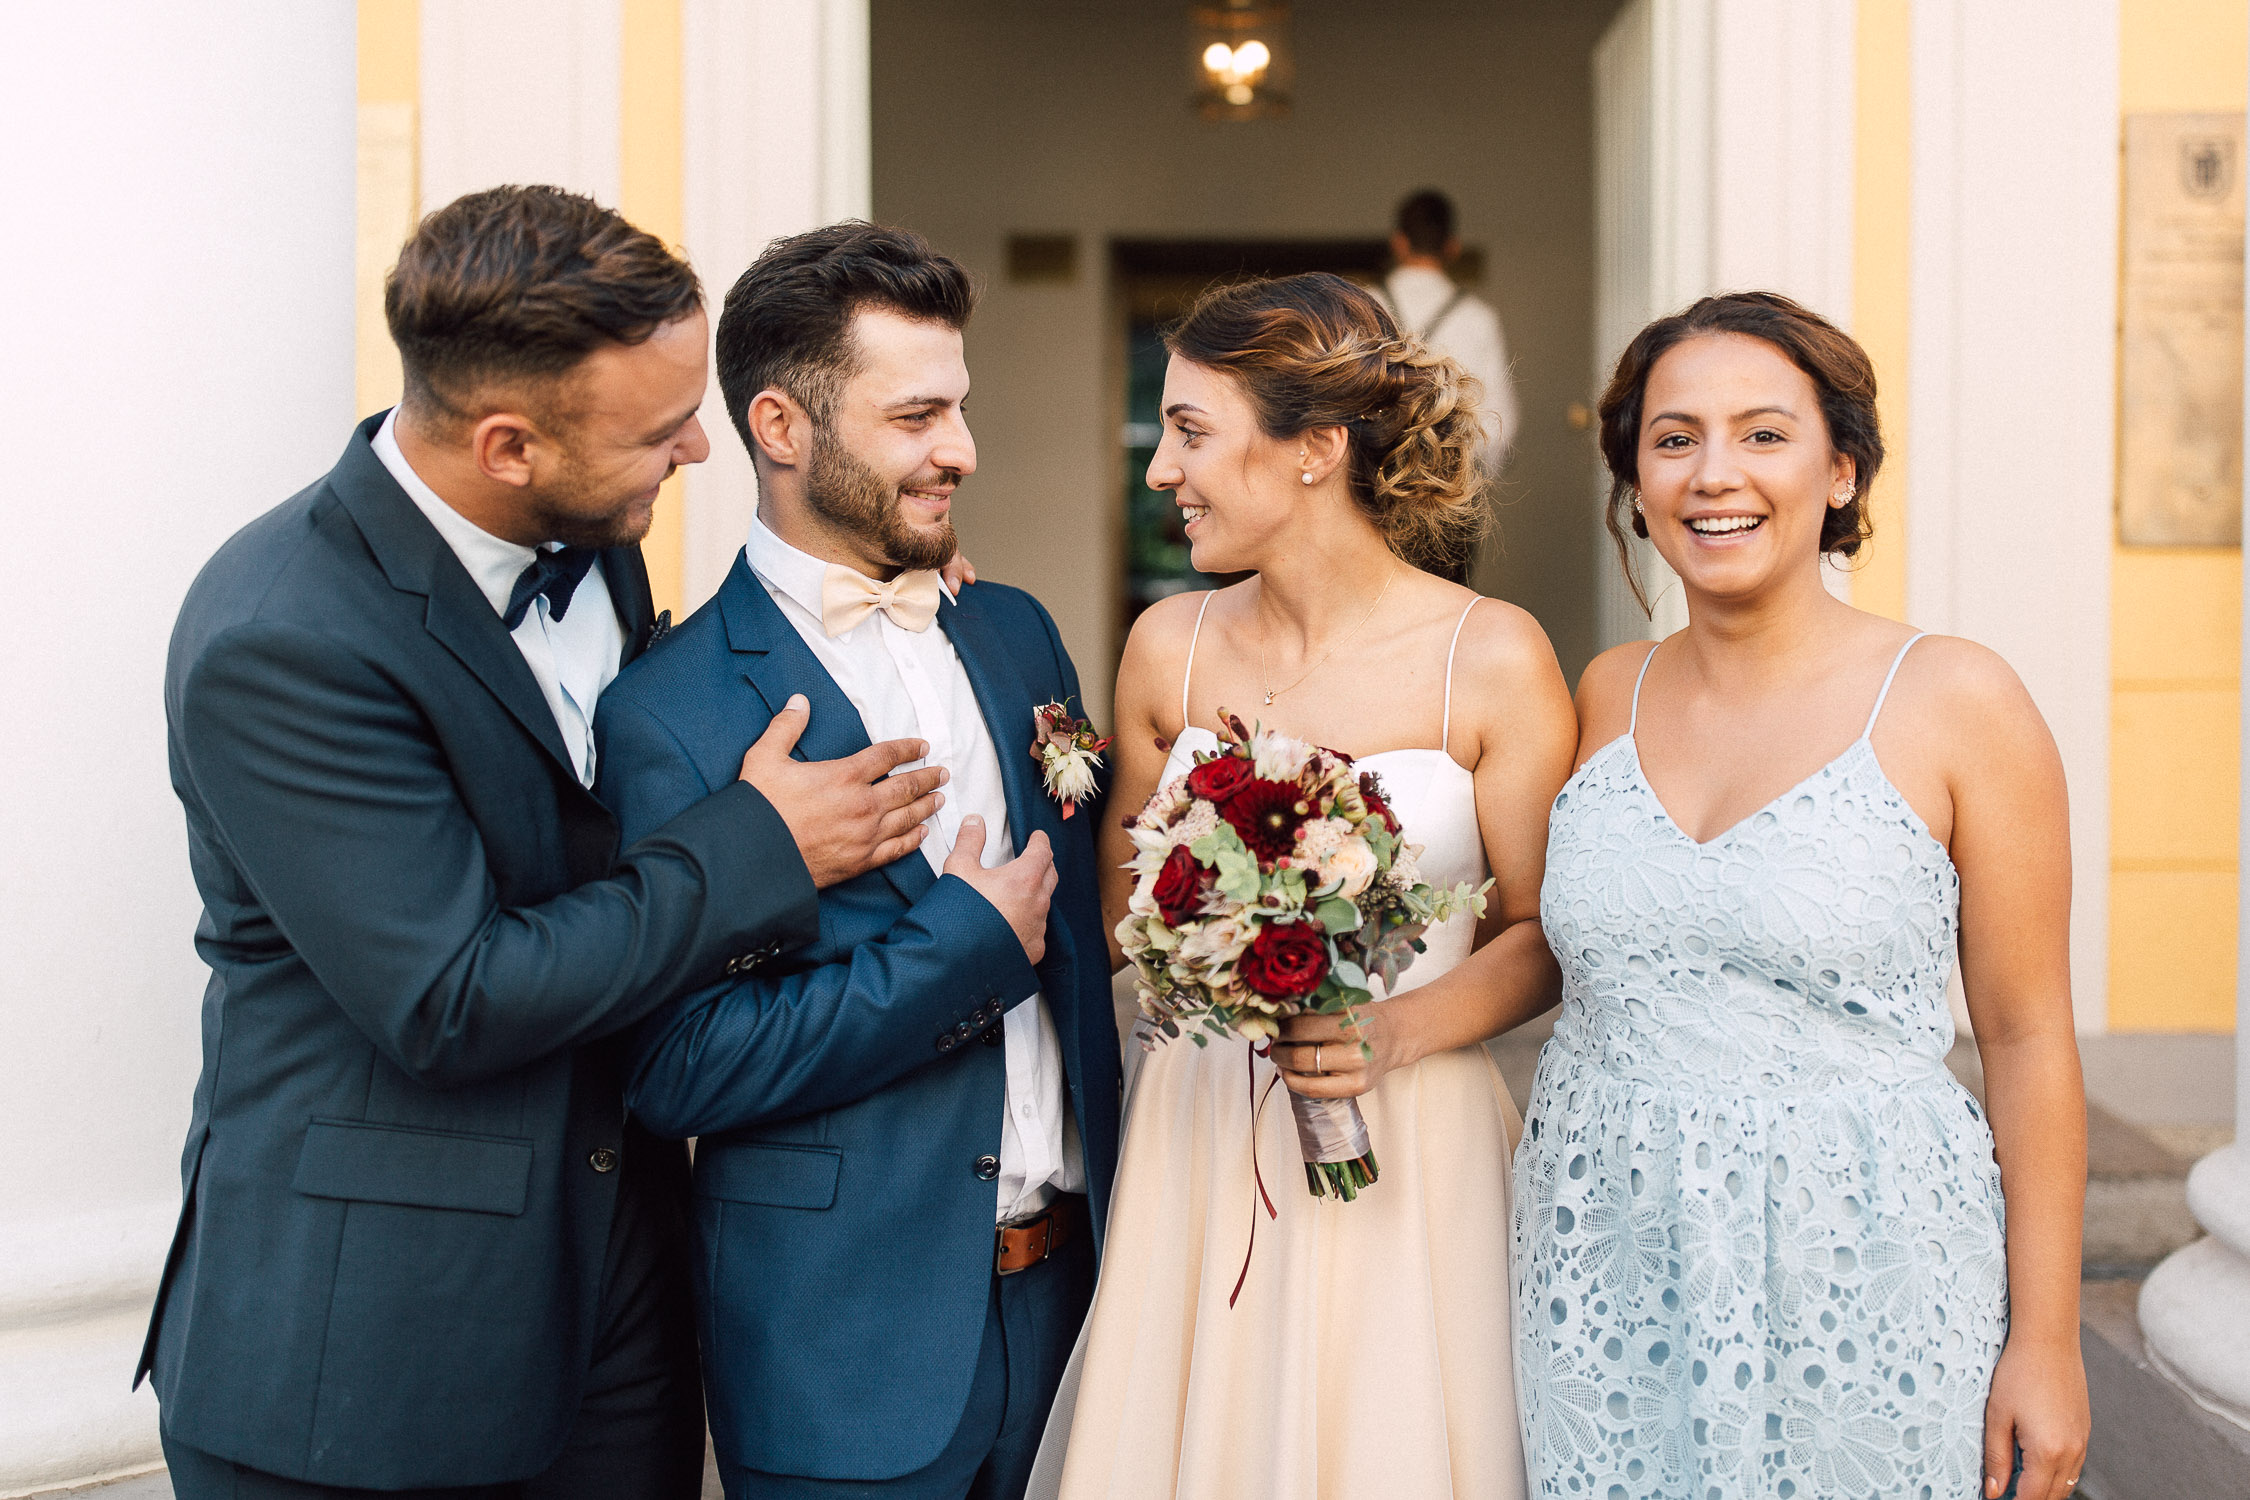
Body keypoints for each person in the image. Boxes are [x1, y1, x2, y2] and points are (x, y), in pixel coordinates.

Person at [146, 186, 953, 1498]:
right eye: (656, 429)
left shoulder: (598, 538)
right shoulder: (281, 639)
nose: (697, 449)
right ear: (507, 445)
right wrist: (761, 846)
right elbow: (449, 998)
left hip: (613, 1300)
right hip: (370, 1360)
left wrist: (877, 577)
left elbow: (611, 780)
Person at [1517, 291, 2091, 1500]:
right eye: (1674, 440)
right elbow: (1534, 941)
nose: (1715, 474)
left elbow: (2030, 1038)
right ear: (1635, 480)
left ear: (1840, 471)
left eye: (1764, 435)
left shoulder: (1957, 699)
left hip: (1871, 1261)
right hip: (1606, 1255)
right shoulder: (1602, 696)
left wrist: (2046, 1341)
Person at [595, 221, 1122, 1500]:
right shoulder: (672, 711)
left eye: (962, 409)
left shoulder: (1014, 631)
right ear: (782, 428)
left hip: (1085, 1307)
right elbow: (681, 1063)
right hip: (845, 1342)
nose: (963, 451)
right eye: (918, 416)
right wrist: (965, 951)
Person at [1032, 273, 1575, 1499]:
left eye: (1190, 430)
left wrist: (1392, 1030)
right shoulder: (1169, 648)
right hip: (1202, 1128)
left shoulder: (1489, 658)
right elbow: (1117, 914)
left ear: (1318, 447)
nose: (1164, 469)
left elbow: (1547, 932)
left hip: (1411, 1133)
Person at [1379, 189, 1518, 479]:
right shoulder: (1479, 318)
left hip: (1376, 480)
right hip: (1449, 483)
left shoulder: (1363, 305)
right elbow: (1499, 422)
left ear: (1398, 243)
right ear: (1452, 247)